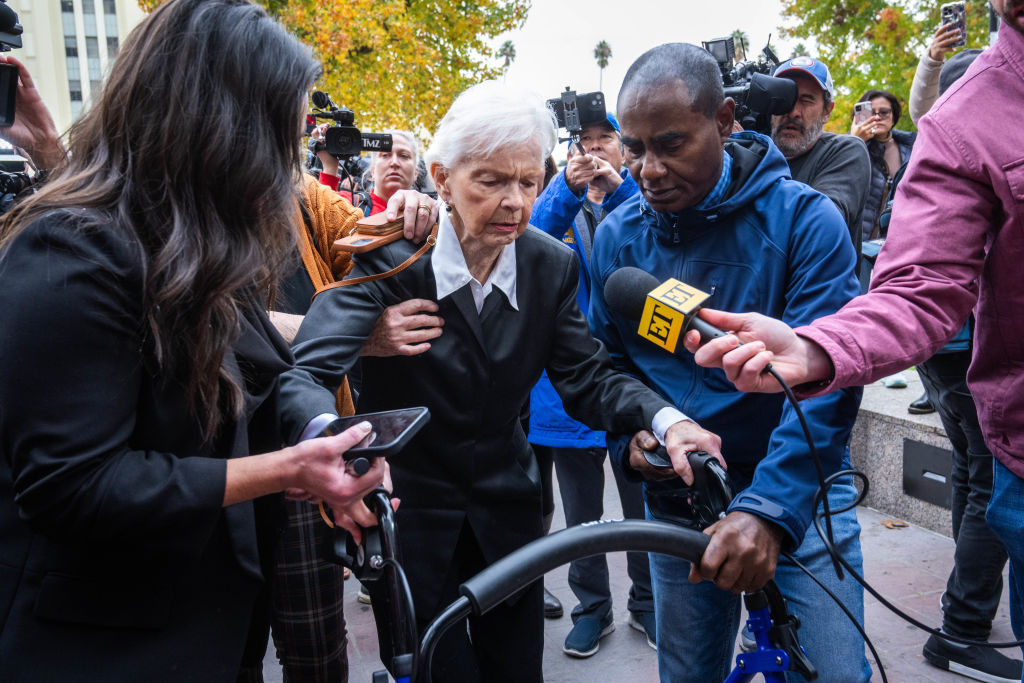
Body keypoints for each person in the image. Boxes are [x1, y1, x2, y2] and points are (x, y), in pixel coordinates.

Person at [277, 80, 719, 683]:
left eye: (529, 182)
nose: (514, 202)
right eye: (490, 181)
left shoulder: (550, 264)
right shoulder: (391, 258)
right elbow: (308, 369)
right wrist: (332, 446)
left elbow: (587, 378)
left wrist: (665, 419)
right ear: (442, 178)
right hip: (409, 520)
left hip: (510, 522)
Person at [0, 1, 389, 680]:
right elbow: (77, 486)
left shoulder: (196, 242)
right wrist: (289, 470)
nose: (287, 167)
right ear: (220, 128)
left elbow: (272, 372)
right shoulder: (70, 251)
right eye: (279, 136)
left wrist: (330, 438)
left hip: (209, 627)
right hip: (100, 645)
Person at [685, 3, 1024, 680]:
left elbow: (835, 218)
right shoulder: (967, 119)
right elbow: (920, 283)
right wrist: (817, 350)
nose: (790, 112)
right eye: (780, 100)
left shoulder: (829, 173)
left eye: (806, 100)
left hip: (810, 479)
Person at [587, 42, 871, 682]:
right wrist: (634, 443)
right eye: (634, 148)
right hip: (679, 496)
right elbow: (605, 366)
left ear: (724, 120)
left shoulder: (806, 220)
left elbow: (828, 381)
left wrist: (768, 511)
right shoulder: (615, 236)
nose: (649, 170)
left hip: (800, 492)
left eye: (670, 144)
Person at [528, 111, 656, 655]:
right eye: (585, 141)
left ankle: (647, 605)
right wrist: (566, 188)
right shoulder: (560, 201)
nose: (596, 149)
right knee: (581, 514)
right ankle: (593, 608)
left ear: (625, 149)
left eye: (607, 138)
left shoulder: (640, 199)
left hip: (633, 380)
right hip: (568, 387)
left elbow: (652, 238)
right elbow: (530, 240)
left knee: (643, 507)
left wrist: (620, 190)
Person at [770, 55, 871, 257]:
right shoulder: (749, 149)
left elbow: (818, 228)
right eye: (784, 98)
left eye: (806, 100)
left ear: (827, 111)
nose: (793, 111)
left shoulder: (846, 151)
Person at [850, 88, 916, 246]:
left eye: (884, 112)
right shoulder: (850, 147)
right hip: (858, 241)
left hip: (898, 241)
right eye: (871, 113)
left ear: (894, 116)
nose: (877, 117)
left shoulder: (913, 147)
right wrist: (855, 142)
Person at [316, 128, 420, 217]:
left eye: (404, 156)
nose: (394, 162)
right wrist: (330, 166)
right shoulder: (346, 203)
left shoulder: (425, 212)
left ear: (416, 173)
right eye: (385, 155)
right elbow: (320, 218)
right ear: (372, 171)